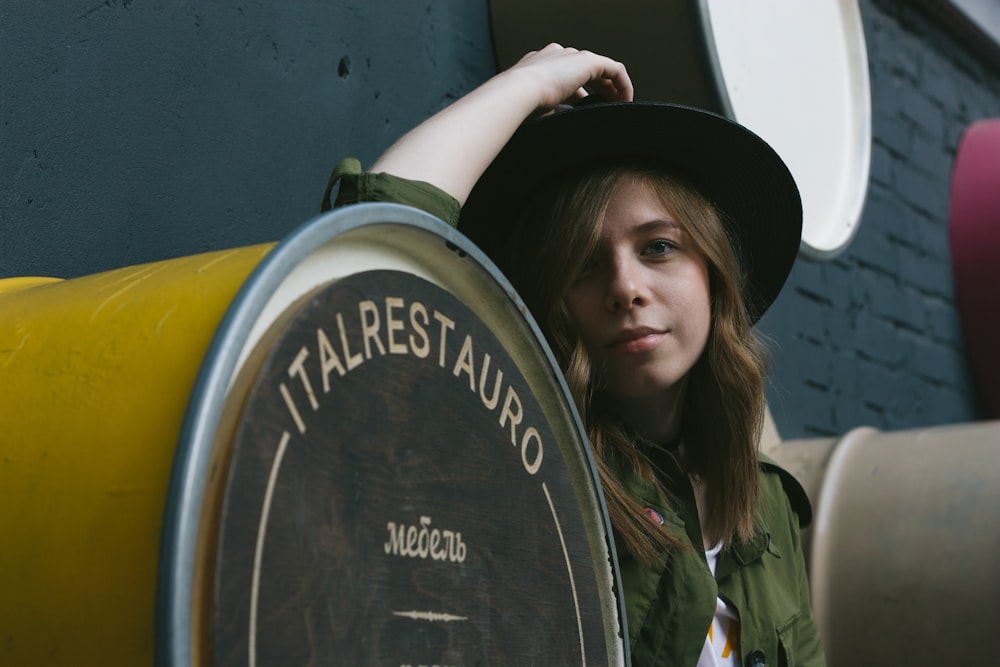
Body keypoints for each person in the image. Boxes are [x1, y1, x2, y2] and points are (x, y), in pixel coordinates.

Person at [322, 44, 825, 667]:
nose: (625, 287)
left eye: (659, 247)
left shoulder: (767, 500)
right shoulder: (526, 463)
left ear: (712, 276)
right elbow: (373, 252)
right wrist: (529, 82)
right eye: (586, 264)